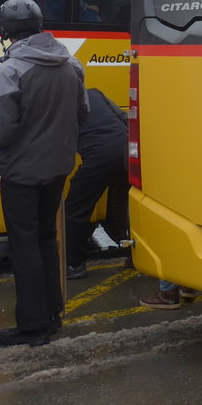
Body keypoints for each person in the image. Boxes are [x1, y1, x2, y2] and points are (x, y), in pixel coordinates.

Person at [0, 0, 88, 347]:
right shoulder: (71, 64)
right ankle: (52, 313)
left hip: (21, 172)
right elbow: (82, 113)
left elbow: (1, 131)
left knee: (24, 246)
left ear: (5, 31)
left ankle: (33, 326)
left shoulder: (10, 71)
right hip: (58, 167)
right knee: (47, 238)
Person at [64, 87, 129, 280]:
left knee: (75, 209)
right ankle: (135, 253)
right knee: (122, 208)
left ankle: (73, 264)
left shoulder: (61, 102)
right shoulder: (95, 93)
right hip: (126, 150)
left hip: (99, 156)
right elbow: (124, 118)